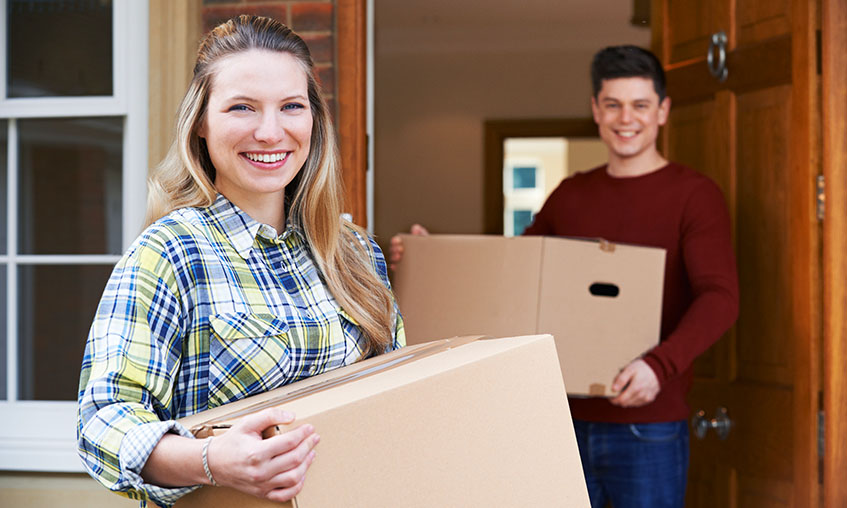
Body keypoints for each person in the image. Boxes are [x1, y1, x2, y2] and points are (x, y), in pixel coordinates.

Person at [77, 15, 405, 508]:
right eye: (242, 108)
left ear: (313, 121)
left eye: (291, 106)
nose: (270, 132)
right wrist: (211, 459)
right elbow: (103, 422)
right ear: (202, 125)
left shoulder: (355, 253)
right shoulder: (169, 253)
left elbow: (401, 393)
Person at [390, 45, 738, 508]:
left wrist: (659, 366)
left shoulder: (695, 195)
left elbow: (720, 298)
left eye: (639, 105)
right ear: (596, 110)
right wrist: (428, 254)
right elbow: (511, 273)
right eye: (612, 104)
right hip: (558, 418)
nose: (625, 118)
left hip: (647, 425)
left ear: (663, 111)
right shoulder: (571, 194)